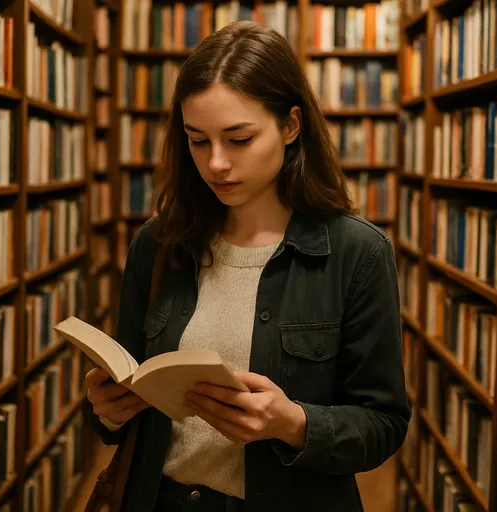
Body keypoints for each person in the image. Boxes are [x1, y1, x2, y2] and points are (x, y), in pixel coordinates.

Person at [83, 20, 411, 512]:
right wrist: (107, 411)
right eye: (198, 140)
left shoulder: (356, 253)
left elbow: (384, 424)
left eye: (238, 139)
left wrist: (293, 424)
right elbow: (126, 402)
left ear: (291, 126)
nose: (216, 163)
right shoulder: (158, 243)